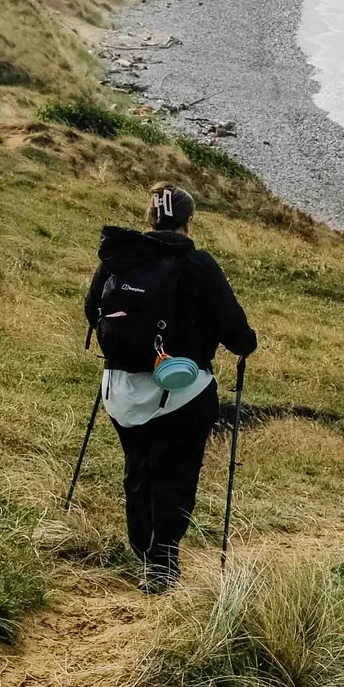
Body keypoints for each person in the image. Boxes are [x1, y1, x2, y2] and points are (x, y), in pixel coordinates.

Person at [85, 182, 258, 593]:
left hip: (120, 390)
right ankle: (161, 562)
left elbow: (93, 312)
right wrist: (243, 343)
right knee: (175, 474)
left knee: (139, 467)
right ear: (188, 221)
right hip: (181, 390)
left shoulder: (119, 256)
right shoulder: (198, 264)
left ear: (151, 217)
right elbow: (238, 334)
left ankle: (143, 549)